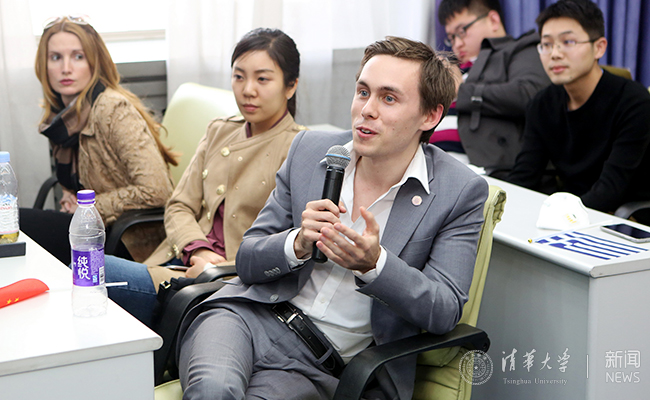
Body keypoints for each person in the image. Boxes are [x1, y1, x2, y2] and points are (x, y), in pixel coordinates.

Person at [177, 36, 489, 400]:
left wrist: (375, 265)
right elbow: (247, 259)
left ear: (430, 115)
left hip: (322, 366)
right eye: (363, 92)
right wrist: (297, 243)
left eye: (388, 98)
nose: (366, 110)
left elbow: (444, 309)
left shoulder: (458, 191)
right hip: (247, 318)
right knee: (213, 390)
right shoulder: (311, 151)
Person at [103, 28, 305, 329]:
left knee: (92, 273)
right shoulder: (219, 131)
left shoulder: (299, 149)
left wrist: (214, 266)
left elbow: (292, 245)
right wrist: (198, 249)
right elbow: (179, 205)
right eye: (239, 77)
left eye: (262, 79)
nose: (248, 90)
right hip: (180, 259)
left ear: (290, 86)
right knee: (84, 274)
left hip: (227, 282)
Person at [21, 16, 176, 264]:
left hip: (128, 241)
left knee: (15, 225)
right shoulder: (63, 117)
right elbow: (82, 175)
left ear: (95, 62)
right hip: (92, 229)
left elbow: (157, 190)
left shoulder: (113, 110)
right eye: (56, 57)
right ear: (44, 65)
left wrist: (89, 206)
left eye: (78, 56)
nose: (66, 68)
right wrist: (71, 196)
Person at [507, 0, 650, 223]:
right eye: (546, 44)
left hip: (625, 221)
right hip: (572, 216)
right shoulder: (542, 104)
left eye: (568, 42)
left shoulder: (634, 102)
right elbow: (524, 175)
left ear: (599, 47)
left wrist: (560, 218)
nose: (555, 54)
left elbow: (611, 190)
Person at [438, 0, 550, 175]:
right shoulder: (452, 68)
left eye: (462, 31)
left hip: (488, 174)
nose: (457, 44)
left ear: (493, 20)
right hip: (432, 170)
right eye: (451, 37)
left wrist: (462, 90)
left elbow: (529, 94)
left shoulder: (519, 50)